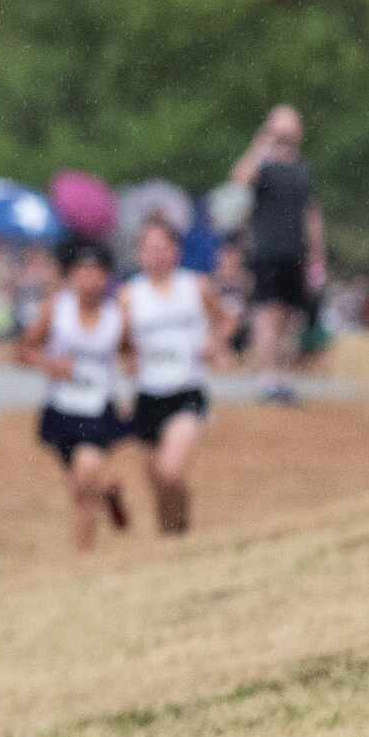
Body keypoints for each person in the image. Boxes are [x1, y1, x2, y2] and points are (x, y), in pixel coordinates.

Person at [19, 235, 130, 550]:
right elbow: (23, 350)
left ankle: (83, 559)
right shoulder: (57, 309)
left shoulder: (117, 315)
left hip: (98, 410)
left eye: (96, 273)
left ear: (107, 277)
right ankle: (109, 490)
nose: (89, 280)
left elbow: (130, 351)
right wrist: (49, 364)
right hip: (63, 410)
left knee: (84, 481)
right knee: (83, 483)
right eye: (81, 272)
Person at [120, 216, 227, 535]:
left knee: (170, 471)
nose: (157, 255)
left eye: (164, 248)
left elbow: (226, 321)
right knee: (157, 482)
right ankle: (172, 540)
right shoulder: (129, 296)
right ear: (140, 254)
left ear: (176, 251)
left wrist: (215, 343)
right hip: (147, 394)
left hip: (186, 390)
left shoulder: (195, 287)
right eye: (150, 249)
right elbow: (122, 345)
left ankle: (182, 527)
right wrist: (127, 359)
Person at [233, 105, 324, 404]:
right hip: (267, 251)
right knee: (267, 314)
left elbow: (311, 213)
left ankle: (283, 376)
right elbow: (240, 178)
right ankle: (267, 378)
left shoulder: (302, 168)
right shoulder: (263, 166)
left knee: (290, 317)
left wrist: (317, 254)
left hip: (295, 251)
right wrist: (262, 144)